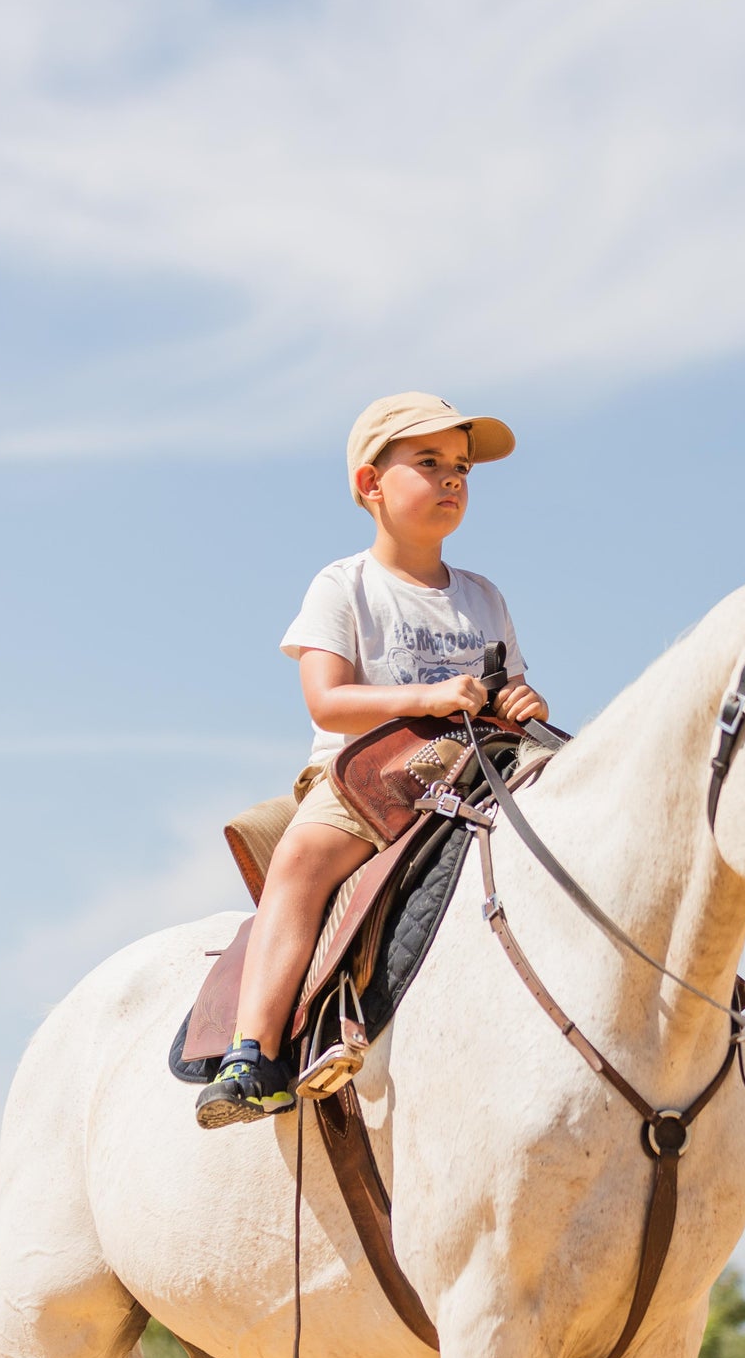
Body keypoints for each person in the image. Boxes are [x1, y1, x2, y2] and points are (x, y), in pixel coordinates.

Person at [196, 392, 548, 1128]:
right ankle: (251, 1053)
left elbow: (507, 682)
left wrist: (523, 703)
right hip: (369, 777)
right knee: (302, 862)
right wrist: (421, 698)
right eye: (429, 463)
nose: (453, 479)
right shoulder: (344, 584)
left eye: (461, 468)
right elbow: (325, 702)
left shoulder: (484, 596)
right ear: (370, 485)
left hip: (475, 770)